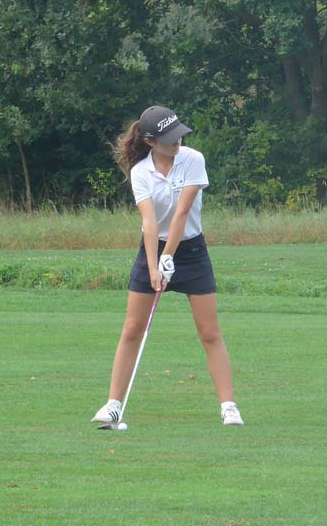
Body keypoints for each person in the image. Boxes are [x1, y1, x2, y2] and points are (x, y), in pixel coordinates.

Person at [91, 105, 244, 427]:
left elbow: (181, 213)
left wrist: (168, 257)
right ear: (150, 141)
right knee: (132, 329)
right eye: (169, 138)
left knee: (209, 332)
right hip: (152, 247)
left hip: (191, 250)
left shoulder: (193, 159)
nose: (177, 142)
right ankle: (113, 404)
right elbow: (149, 223)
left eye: (179, 135)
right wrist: (153, 267)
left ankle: (229, 407)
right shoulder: (140, 172)